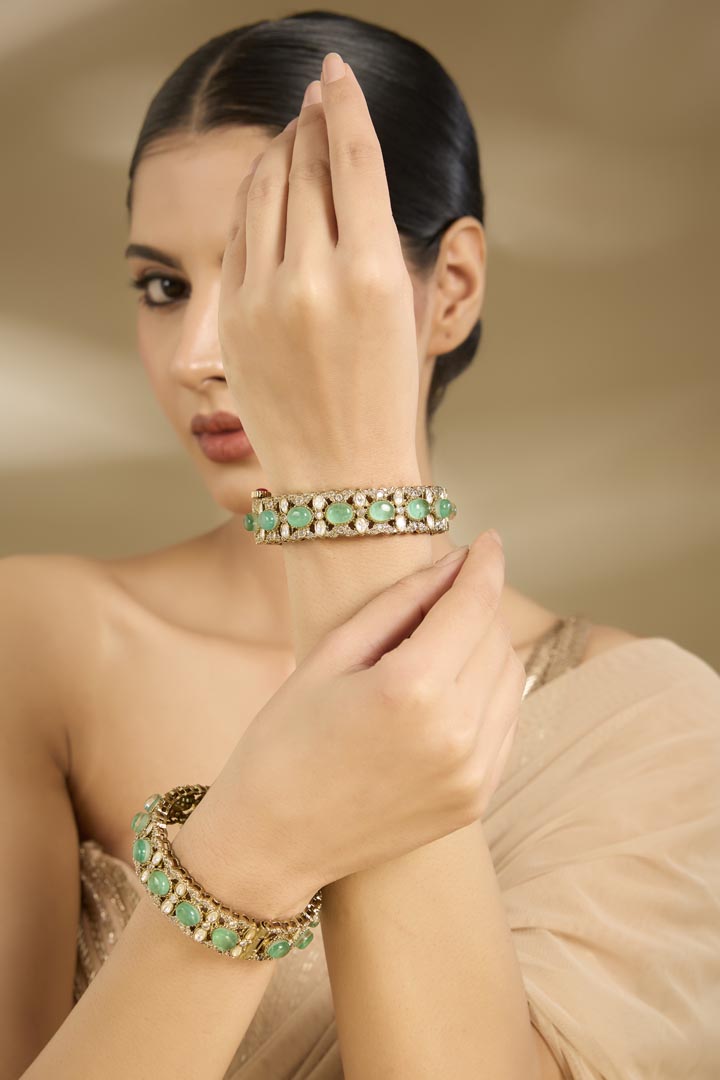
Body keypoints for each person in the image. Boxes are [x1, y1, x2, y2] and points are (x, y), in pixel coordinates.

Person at [3, 12, 719, 1080]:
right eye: (164, 286)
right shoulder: (37, 641)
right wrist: (257, 838)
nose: (200, 352)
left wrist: (350, 492)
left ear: (452, 288)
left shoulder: (649, 725)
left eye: (270, 273)